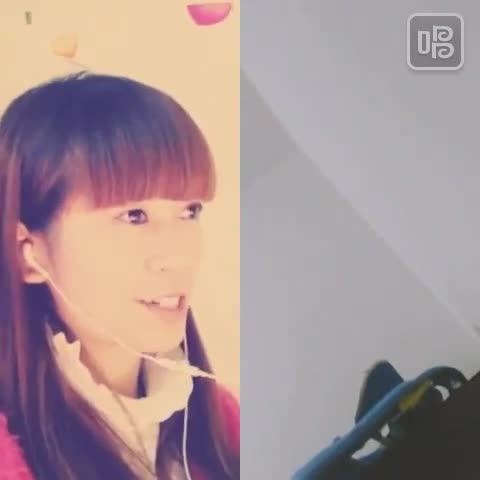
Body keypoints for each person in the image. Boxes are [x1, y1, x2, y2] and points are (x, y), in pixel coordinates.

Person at [0, 71, 239, 479]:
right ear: (27, 253)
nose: (179, 257)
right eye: (134, 216)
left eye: (190, 211)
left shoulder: (222, 420)